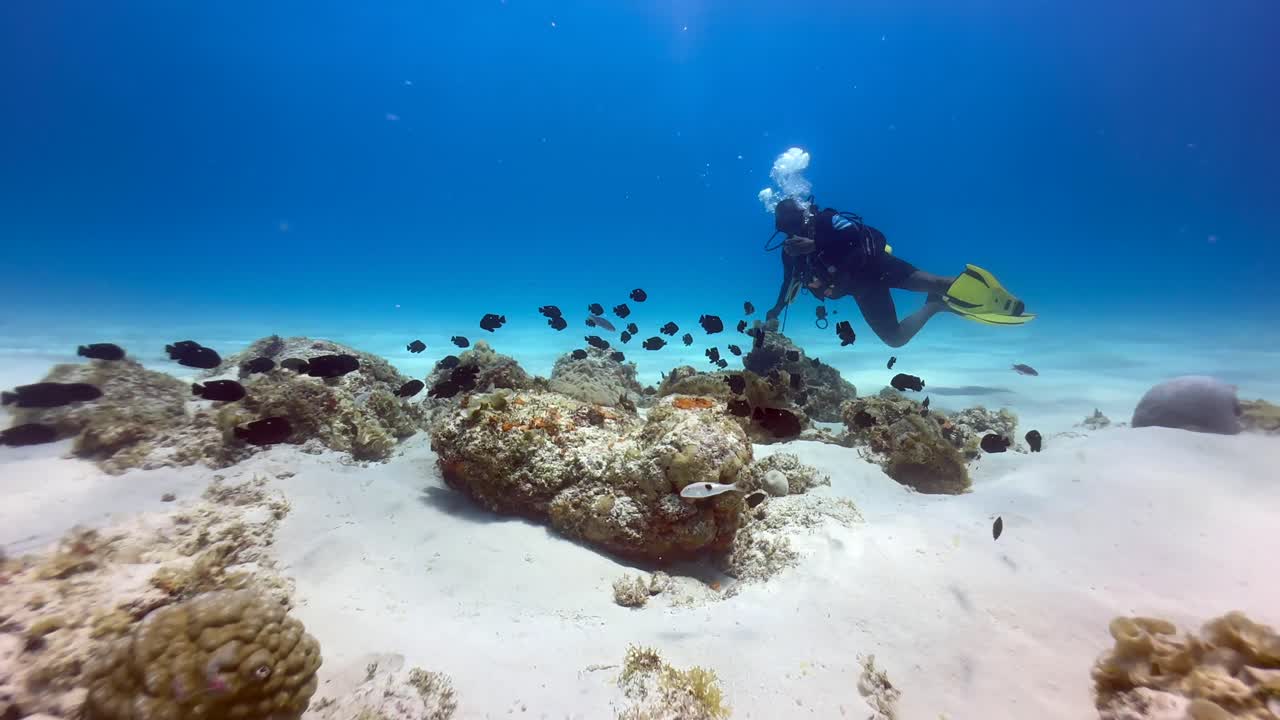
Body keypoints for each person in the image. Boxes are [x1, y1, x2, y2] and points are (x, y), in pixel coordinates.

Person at [763, 197, 1031, 347]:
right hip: (862, 289)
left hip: (878, 266)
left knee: (938, 282)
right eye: (785, 228)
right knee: (895, 339)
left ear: (804, 215)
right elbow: (789, 283)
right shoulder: (790, 252)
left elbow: (860, 234)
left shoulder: (826, 220)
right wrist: (776, 309)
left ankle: (1003, 301)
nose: (792, 232)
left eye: (793, 223)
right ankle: (934, 307)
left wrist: (816, 243)